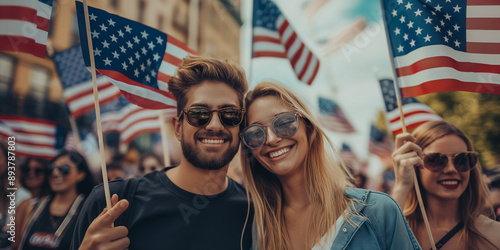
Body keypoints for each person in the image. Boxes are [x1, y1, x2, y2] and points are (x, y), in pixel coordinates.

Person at [71, 56, 252, 250]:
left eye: (230, 114)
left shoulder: (254, 212)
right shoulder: (111, 203)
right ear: (178, 128)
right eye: (199, 113)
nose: (215, 125)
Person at [240, 82, 420, 249]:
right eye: (255, 133)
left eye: (285, 122)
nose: (271, 139)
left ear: (308, 128)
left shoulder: (379, 211)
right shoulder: (254, 231)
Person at [391, 120, 500, 249]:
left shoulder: (494, 235)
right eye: (436, 160)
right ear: (414, 165)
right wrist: (402, 185)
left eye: (462, 159)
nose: (451, 169)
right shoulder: (396, 229)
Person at [19, 151, 96, 249]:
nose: (55, 173)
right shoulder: (33, 207)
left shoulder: (88, 210)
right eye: (51, 168)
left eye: (64, 169)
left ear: (80, 174)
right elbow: (17, 245)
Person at [11, 157, 51, 250]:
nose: (31, 173)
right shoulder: (23, 203)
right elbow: (16, 243)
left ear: (46, 174)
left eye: (38, 170)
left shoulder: (52, 203)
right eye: (26, 169)